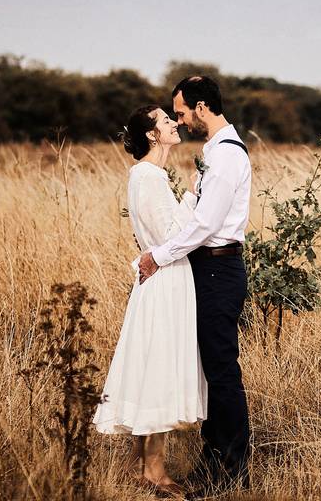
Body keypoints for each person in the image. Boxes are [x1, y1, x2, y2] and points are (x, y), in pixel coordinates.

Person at [138, 76, 252, 497]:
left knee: (222, 372)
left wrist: (159, 255)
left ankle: (232, 471)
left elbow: (206, 226)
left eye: (183, 112)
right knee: (210, 370)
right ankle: (213, 462)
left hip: (219, 271)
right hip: (207, 270)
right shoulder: (213, 153)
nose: (181, 121)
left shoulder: (226, 157)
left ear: (202, 107)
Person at [92, 104, 207, 498]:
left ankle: (137, 466)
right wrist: (193, 196)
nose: (174, 123)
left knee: (151, 365)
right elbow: (171, 236)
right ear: (152, 135)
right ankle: (155, 471)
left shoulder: (148, 175)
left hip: (162, 279)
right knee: (158, 368)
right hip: (166, 280)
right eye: (165, 120)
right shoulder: (148, 176)